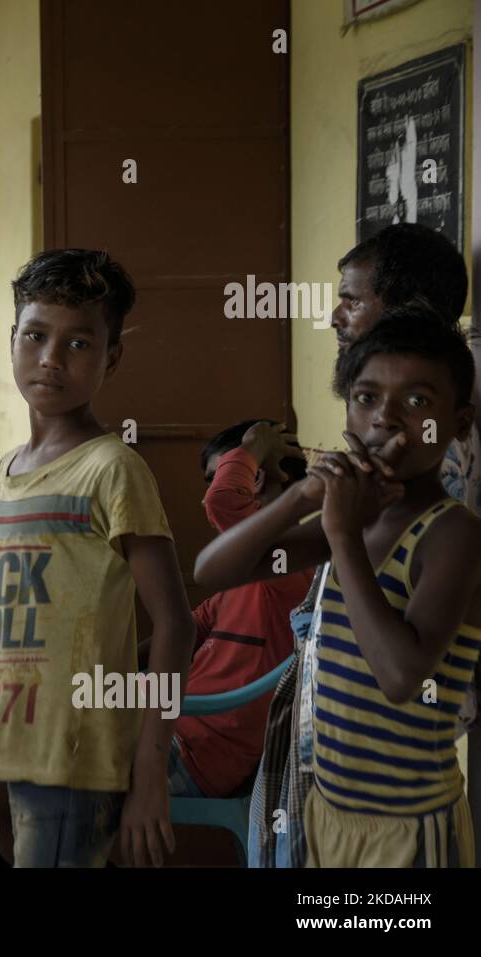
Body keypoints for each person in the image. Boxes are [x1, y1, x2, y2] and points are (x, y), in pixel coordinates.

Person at [195, 311, 481, 867]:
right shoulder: (356, 519)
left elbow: (401, 677)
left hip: (406, 829)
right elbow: (213, 570)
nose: (385, 420)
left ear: (460, 423)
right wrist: (301, 499)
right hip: (325, 811)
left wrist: (341, 532)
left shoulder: (454, 535)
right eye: (366, 397)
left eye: (418, 402)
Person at [0, 248, 196, 868]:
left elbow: (176, 624)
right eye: (36, 335)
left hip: (76, 760)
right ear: (12, 340)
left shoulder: (112, 470)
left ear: (112, 357)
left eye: (79, 344)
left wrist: (151, 769)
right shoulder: (3, 474)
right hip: (10, 750)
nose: (51, 358)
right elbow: (4, 635)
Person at [154, 420, 311, 798]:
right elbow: (187, 628)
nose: (204, 496)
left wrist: (255, 444)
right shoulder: (252, 574)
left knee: (37, 776)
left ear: (253, 479)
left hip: (195, 753)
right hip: (168, 729)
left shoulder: (289, 567)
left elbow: (222, 501)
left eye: (216, 476)